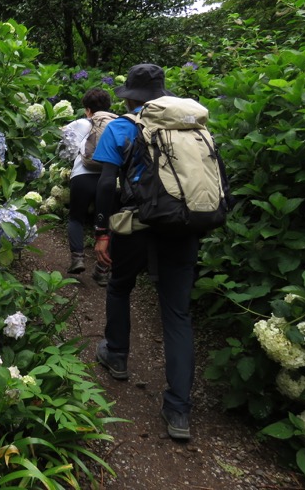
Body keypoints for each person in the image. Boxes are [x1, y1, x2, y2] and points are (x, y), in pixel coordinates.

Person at [91, 63, 199, 441]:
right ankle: (179, 411)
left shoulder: (120, 127)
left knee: (120, 285)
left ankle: (117, 355)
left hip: (136, 225)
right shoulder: (190, 126)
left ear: (131, 96)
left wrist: (102, 231)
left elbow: (106, 184)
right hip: (184, 226)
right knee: (177, 313)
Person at [58, 88, 113, 283]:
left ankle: (78, 259)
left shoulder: (82, 122)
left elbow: (62, 143)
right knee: (107, 222)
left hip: (82, 175)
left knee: (76, 218)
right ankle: (102, 270)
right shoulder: (117, 123)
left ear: (87, 109)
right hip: (109, 177)